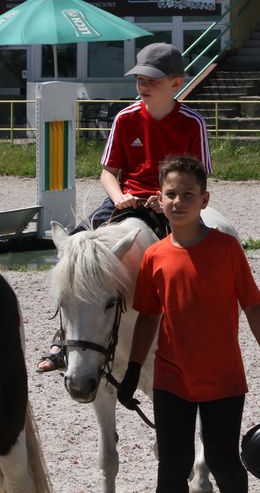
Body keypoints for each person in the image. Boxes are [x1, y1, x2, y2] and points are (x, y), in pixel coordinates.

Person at [36, 42, 211, 373]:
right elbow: (108, 173)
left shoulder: (192, 122)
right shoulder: (126, 117)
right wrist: (118, 198)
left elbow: (198, 181)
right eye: (140, 79)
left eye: (152, 80)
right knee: (74, 247)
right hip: (126, 198)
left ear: (177, 83)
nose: (143, 86)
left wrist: (169, 199)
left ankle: (191, 330)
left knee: (194, 261)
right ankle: (63, 336)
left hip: (171, 202)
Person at [116, 155, 260, 492]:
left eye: (188, 195)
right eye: (171, 194)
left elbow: (253, 307)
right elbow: (148, 317)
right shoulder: (155, 256)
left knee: (224, 463)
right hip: (171, 379)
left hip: (222, 380)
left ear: (204, 199)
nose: (178, 202)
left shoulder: (227, 249)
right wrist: (133, 370)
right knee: (172, 469)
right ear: (160, 198)